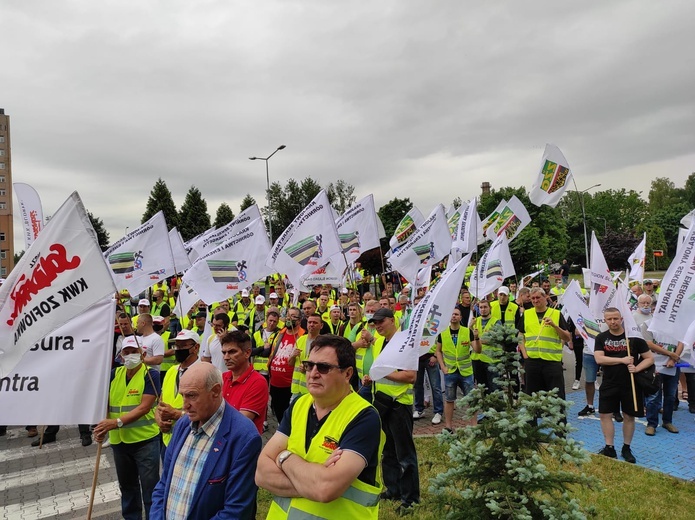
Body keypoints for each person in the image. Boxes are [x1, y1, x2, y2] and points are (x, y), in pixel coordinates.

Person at [256, 335, 384, 519]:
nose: (313, 373)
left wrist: (284, 457)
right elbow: (261, 473)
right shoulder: (300, 404)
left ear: (347, 374)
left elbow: (325, 489)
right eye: (309, 365)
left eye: (323, 367)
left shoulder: (364, 417)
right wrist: (311, 483)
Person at [151, 363, 262, 519]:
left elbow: (236, 510)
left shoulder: (243, 437)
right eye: (183, 395)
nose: (184, 405)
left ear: (215, 391)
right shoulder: (183, 425)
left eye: (192, 395)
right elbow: (163, 485)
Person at [93, 336, 161, 520]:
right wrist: (102, 427)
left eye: (134, 352)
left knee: (151, 489)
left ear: (143, 353)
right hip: (119, 442)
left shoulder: (151, 375)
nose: (130, 355)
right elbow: (104, 403)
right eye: (127, 352)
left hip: (145, 441)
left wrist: (114, 423)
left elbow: (144, 407)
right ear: (121, 355)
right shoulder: (114, 374)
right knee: (128, 487)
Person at [370, 308, 419, 512]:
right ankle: (393, 489)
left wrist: (384, 374)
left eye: (381, 322)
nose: (378, 326)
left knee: (405, 454)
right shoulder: (379, 341)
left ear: (393, 320)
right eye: (375, 323)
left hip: (400, 404)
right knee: (388, 451)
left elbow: (410, 377)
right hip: (383, 402)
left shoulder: (406, 343)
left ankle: (410, 499)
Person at [594, 308, 653, 463]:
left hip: (631, 384)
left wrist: (637, 368)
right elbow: (599, 359)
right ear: (605, 320)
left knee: (629, 416)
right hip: (609, 383)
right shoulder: (601, 338)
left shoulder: (633, 338)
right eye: (609, 319)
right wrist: (622, 360)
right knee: (605, 415)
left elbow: (649, 358)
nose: (613, 322)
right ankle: (609, 447)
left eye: (615, 318)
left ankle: (626, 448)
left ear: (621, 318)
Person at [518, 288, 571, 402]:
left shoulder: (556, 314)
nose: (535, 300)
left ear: (545, 298)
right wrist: (525, 355)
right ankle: (531, 420)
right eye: (533, 298)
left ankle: (559, 420)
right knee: (531, 397)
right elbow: (520, 335)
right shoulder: (527, 314)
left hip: (552, 362)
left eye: (538, 297)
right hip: (532, 361)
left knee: (557, 396)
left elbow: (567, 337)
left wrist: (554, 326)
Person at [156, 330, 201, 455]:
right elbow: (160, 402)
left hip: (191, 442)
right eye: (176, 346)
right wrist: (159, 421)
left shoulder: (204, 372)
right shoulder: (171, 371)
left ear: (195, 347)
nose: (178, 350)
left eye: (183, 346)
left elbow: (207, 412)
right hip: (168, 441)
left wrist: (176, 415)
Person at [436, 307, 478, 433]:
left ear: (460, 317)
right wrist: (442, 366)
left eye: (456, 314)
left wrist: (477, 338)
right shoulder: (442, 333)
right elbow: (438, 350)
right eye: (452, 314)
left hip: (466, 372)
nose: (454, 316)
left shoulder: (467, 332)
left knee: (471, 399)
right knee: (449, 400)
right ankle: (448, 426)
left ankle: (474, 425)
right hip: (450, 371)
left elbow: (477, 350)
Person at [221, 330, 269, 435]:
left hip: (241, 445)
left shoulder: (258, 382)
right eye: (224, 352)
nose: (226, 357)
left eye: (232, 352)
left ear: (247, 353)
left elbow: (239, 423)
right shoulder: (223, 377)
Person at [268, 308, 306, 421]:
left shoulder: (303, 335)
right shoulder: (280, 333)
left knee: (289, 414)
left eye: (293, 316)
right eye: (288, 315)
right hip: (275, 382)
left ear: (299, 320)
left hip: (290, 384)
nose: (289, 318)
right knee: (278, 412)